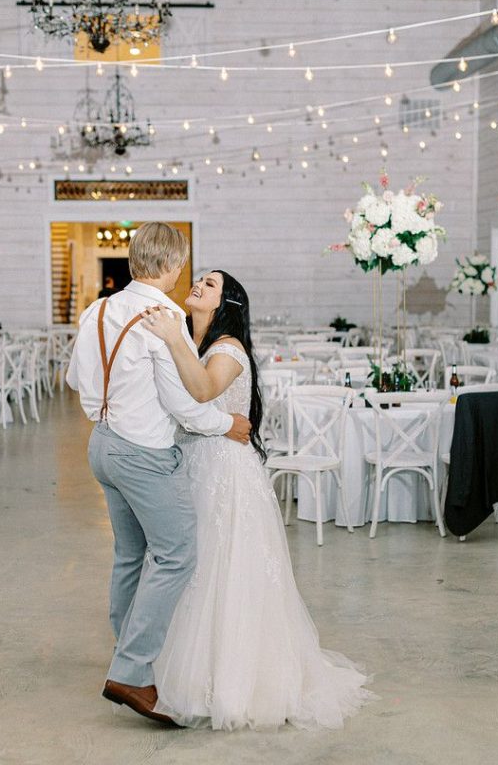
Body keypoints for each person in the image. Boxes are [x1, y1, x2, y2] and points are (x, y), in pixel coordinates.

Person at [141, 270, 375, 730]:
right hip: (197, 464)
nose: (199, 285)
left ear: (225, 303)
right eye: (201, 279)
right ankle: (186, 672)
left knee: (224, 567)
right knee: (193, 565)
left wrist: (171, 339)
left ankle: (232, 683)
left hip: (225, 471)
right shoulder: (198, 343)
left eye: (209, 284)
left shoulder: (228, 348)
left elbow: (204, 391)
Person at [67, 224, 253, 726]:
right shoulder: (165, 317)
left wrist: (111, 405)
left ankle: (125, 644)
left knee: (130, 554)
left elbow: (74, 379)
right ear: (173, 266)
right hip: (144, 454)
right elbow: (186, 406)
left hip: (101, 445)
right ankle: (131, 670)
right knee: (177, 554)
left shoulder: (97, 309)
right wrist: (227, 424)